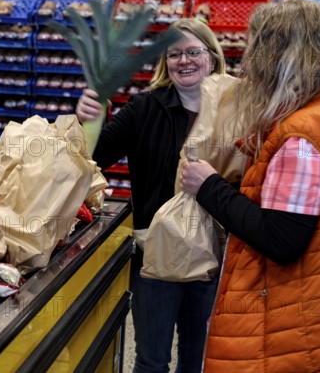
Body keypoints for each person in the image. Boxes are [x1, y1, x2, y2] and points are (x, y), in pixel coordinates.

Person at [180, 0, 320, 373]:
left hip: (292, 331)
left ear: (275, 56)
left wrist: (208, 185)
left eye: (256, 47)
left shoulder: (302, 137)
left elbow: (281, 239)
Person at [76, 18, 245, 373]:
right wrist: (87, 121)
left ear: (212, 58)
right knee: (151, 361)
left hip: (213, 257)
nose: (184, 61)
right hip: (154, 256)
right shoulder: (144, 109)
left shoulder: (235, 115)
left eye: (193, 52)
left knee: (196, 359)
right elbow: (95, 157)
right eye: (174, 54)